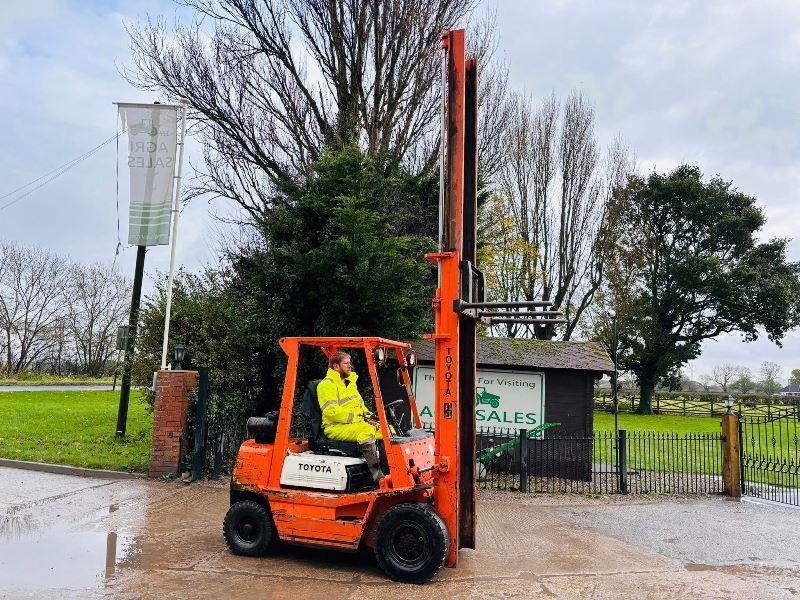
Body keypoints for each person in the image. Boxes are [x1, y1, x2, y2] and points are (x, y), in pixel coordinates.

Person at [317, 351, 384, 482]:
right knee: (366, 431)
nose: (350, 366)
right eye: (346, 363)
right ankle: (377, 476)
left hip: (351, 425)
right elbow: (331, 412)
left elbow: (361, 408)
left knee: (387, 431)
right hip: (335, 427)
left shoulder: (349, 384)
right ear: (336, 366)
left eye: (349, 363)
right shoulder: (326, 385)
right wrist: (360, 419)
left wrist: (372, 418)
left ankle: (390, 471)